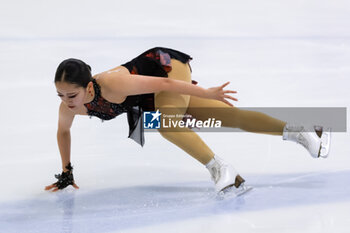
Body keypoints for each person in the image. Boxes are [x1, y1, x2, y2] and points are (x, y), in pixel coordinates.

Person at [44, 47, 331, 194]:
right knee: (229, 117)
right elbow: (63, 133)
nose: (66, 102)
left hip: (167, 68)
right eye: (60, 95)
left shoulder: (114, 84)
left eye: (71, 94)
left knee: (167, 125)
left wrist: (205, 91)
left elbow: (165, 85)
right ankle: (300, 132)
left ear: (89, 87)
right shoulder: (71, 108)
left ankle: (220, 169)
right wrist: (67, 171)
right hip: (150, 97)